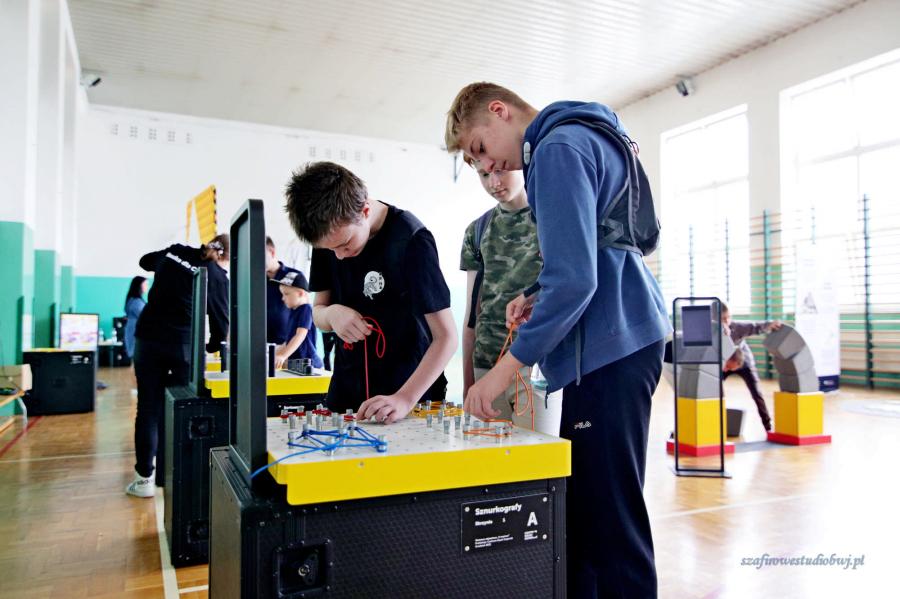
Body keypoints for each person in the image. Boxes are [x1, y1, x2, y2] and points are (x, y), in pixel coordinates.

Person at [445, 82, 670, 598]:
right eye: (476, 163)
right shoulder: (582, 135)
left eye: (480, 148)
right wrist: (534, 292)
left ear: (499, 111)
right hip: (617, 337)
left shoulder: (555, 148)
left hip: (612, 343)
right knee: (586, 516)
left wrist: (505, 371)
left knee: (611, 521)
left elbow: (575, 281)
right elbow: (595, 249)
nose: (489, 166)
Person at [284, 161, 457, 423]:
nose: (339, 257)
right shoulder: (328, 237)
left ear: (364, 210)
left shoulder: (411, 240)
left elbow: (446, 337)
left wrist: (404, 398)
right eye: (330, 250)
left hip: (407, 395)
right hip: (347, 389)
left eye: (345, 245)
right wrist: (331, 315)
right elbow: (317, 311)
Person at [460, 164, 562, 434]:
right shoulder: (477, 231)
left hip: (536, 365)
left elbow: (567, 288)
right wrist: (468, 382)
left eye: (501, 171)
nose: (493, 183)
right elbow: (472, 315)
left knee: (537, 456)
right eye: (484, 174)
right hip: (486, 363)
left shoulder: (552, 223)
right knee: (491, 456)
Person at [126, 235, 230, 498]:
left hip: (148, 340)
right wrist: (210, 347)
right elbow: (221, 326)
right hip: (184, 347)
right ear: (229, 258)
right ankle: (176, 478)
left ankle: (144, 479)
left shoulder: (176, 251)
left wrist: (166, 266)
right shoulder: (217, 277)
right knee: (184, 411)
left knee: (148, 409)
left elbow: (145, 261)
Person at [721, 302, 782, 432]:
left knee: (756, 393)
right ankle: (718, 422)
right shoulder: (712, 331)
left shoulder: (736, 327)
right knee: (715, 391)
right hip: (725, 364)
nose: (727, 321)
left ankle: (768, 425)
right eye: (723, 319)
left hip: (744, 363)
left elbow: (754, 326)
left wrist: (770, 324)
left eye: (728, 317)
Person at [271, 270, 323, 370]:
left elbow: (300, 335)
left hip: (309, 364)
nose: (282, 298)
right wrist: (275, 353)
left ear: (300, 293)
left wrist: (283, 356)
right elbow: (290, 339)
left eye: (286, 294)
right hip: (297, 364)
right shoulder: (293, 312)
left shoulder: (306, 309)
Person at [265, 236, 302, 347]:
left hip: (288, 344)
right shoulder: (254, 280)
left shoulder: (293, 276)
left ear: (272, 252)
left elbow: (304, 311)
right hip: (260, 344)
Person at [123, 276, 148, 359]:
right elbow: (144, 316)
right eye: (145, 284)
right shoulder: (136, 302)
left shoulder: (133, 299)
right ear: (139, 286)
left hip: (133, 328)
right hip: (135, 330)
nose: (147, 286)